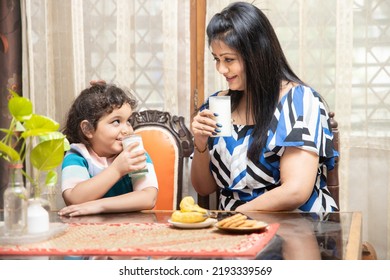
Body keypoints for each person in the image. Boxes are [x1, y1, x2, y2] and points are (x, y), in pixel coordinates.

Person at [191, 2, 338, 212]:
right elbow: (204, 188)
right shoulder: (218, 105)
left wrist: (235, 217)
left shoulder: (298, 100)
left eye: (229, 59)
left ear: (257, 55)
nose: (221, 69)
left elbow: (296, 190)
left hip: (295, 225)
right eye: (217, 59)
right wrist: (200, 143)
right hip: (234, 231)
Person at [58, 81, 158, 217]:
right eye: (116, 121)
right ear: (88, 129)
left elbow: (148, 198)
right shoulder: (77, 155)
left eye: (128, 121)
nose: (127, 130)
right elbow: (74, 199)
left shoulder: (134, 154)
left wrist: (99, 205)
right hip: (87, 231)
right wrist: (117, 170)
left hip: (132, 228)